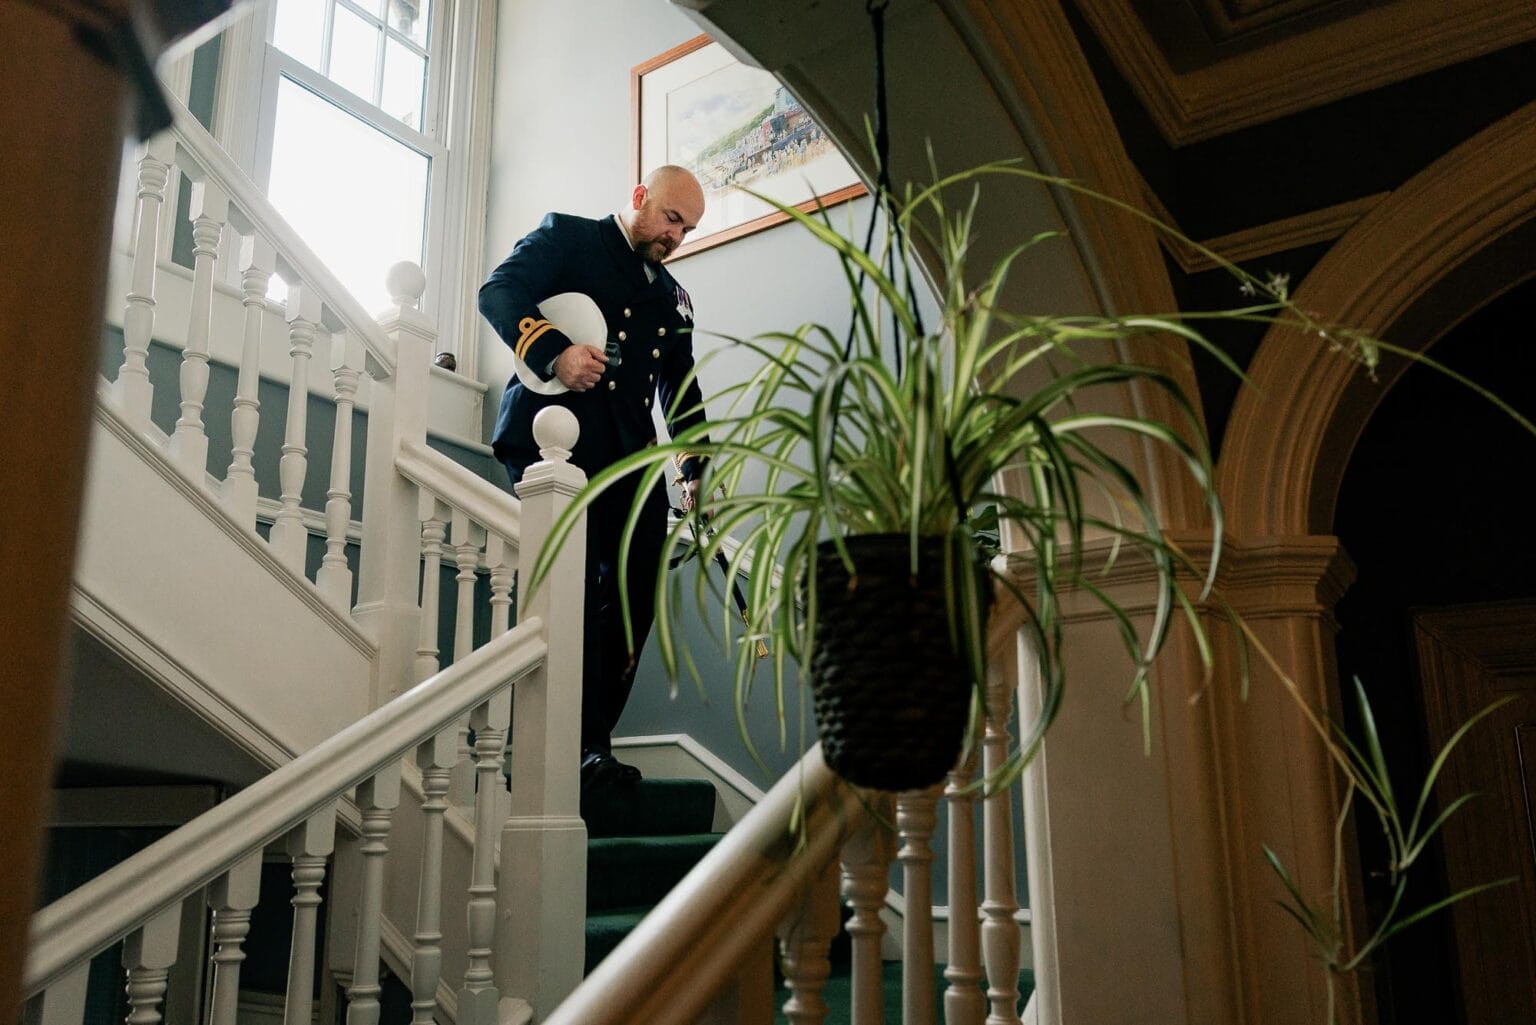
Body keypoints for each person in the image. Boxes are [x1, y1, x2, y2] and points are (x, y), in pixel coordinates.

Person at [479, 166, 710, 792]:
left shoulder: (673, 295)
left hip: (628, 457)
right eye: (670, 219)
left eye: (687, 230)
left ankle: (590, 744)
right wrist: (555, 350)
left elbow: (680, 389)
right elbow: (498, 292)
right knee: (572, 588)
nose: (676, 238)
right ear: (639, 199)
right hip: (549, 437)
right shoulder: (569, 239)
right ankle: (553, 743)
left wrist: (693, 465)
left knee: (635, 592)